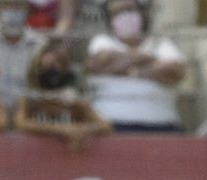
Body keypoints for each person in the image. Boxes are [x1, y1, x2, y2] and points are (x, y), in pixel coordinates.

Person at [84, 0, 184, 133]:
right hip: (113, 125)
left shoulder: (162, 43)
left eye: (129, 10)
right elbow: (100, 64)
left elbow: (174, 71)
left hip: (163, 126)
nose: (125, 16)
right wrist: (149, 58)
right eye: (117, 13)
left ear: (142, 12)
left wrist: (130, 71)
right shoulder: (102, 41)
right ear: (110, 20)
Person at [13, 38, 109, 149]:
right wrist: (60, 129)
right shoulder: (28, 99)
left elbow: (105, 126)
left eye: (59, 65)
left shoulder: (75, 103)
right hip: (34, 154)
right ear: (37, 68)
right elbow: (20, 124)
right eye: (48, 66)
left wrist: (83, 129)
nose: (54, 71)